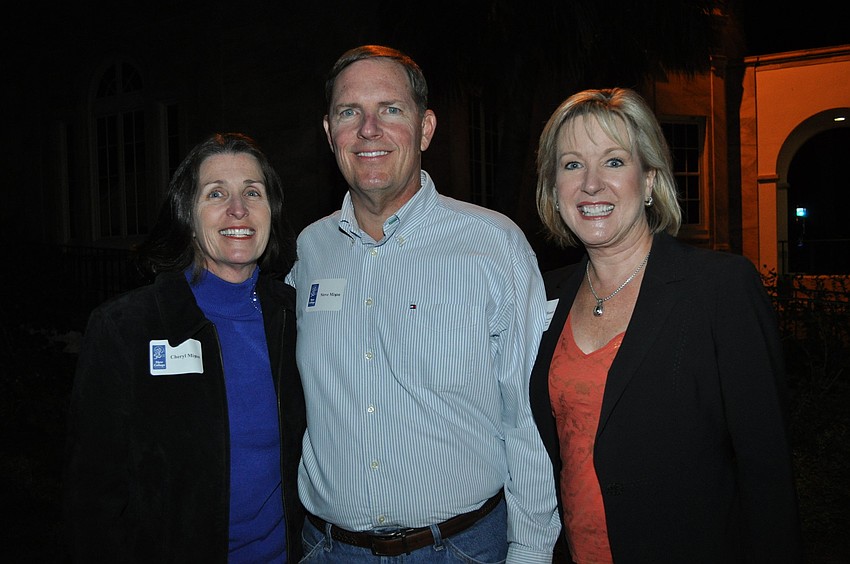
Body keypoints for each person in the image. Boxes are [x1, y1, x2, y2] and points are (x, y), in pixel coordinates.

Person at [285, 45, 560, 563]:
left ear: (426, 128)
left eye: (390, 109)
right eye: (350, 112)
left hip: (461, 548)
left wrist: (530, 551)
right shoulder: (310, 251)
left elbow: (525, 417)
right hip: (328, 549)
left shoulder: (493, 244)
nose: (369, 128)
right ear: (329, 133)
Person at [529, 87, 802, 563]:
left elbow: (768, 472)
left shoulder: (719, 288)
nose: (591, 184)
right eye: (572, 165)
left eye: (614, 161)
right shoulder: (542, 296)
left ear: (650, 179)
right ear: (554, 188)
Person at [61, 132, 305, 562]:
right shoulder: (127, 328)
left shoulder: (294, 319)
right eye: (216, 193)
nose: (238, 209)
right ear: (187, 215)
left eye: (253, 192)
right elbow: (93, 497)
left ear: (271, 210)